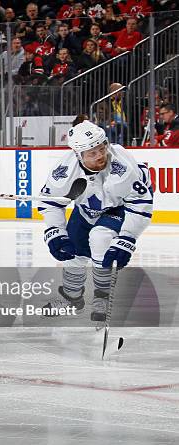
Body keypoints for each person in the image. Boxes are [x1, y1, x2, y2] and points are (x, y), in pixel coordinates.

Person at [38, 120, 152, 321]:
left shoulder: (122, 168)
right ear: (78, 155)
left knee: (101, 238)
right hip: (86, 209)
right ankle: (72, 298)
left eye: (102, 148)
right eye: (92, 153)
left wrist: (127, 238)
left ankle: (102, 297)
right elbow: (51, 203)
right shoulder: (64, 170)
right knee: (70, 249)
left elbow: (141, 203)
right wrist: (55, 231)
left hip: (120, 205)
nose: (100, 155)